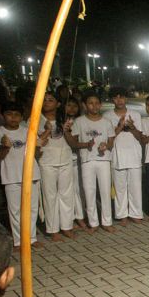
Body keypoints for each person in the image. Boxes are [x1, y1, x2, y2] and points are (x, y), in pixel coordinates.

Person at [0, 102, 43, 248]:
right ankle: (19, 241)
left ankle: (31, 238)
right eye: (9, 114)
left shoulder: (28, 130)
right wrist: (5, 147)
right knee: (15, 210)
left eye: (16, 115)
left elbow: (36, 154)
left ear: (21, 116)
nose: (13, 118)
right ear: (3, 115)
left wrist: (39, 146)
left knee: (32, 208)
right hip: (11, 176)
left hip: (31, 174)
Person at [65, 91, 115, 233]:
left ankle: (107, 221)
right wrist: (85, 144)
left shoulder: (106, 122)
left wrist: (105, 146)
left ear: (100, 104)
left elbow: (111, 142)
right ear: (85, 105)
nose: (94, 106)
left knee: (105, 191)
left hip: (104, 160)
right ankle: (93, 223)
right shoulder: (79, 121)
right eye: (90, 103)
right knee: (89, 192)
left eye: (96, 103)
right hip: (87, 160)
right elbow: (73, 142)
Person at [38, 92, 76, 241]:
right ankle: (53, 229)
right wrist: (46, 130)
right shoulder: (35, 120)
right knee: (50, 196)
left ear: (58, 104)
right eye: (44, 100)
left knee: (67, 194)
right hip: (47, 161)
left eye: (50, 100)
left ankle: (67, 226)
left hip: (65, 159)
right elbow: (36, 143)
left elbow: (72, 140)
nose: (47, 102)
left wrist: (66, 129)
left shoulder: (64, 119)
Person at [104, 87, 144, 226]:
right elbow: (108, 137)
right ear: (112, 99)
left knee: (135, 186)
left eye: (122, 97)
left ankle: (136, 213)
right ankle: (122, 215)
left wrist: (132, 127)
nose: (119, 100)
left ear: (126, 98)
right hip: (117, 155)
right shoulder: (107, 116)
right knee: (120, 187)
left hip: (134, 154)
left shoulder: (135, 114)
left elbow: (140, 137)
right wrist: (119, 127)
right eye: (116, 97)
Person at [63, 97, 88, 230]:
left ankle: (80, 215)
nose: (72, 109)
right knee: (68, 190)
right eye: (69, 105)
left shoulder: (80, 121)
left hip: (78, 157)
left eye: (75, 106)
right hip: (64, 158)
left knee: (80, 189)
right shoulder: (61, 122)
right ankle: (72, 218)